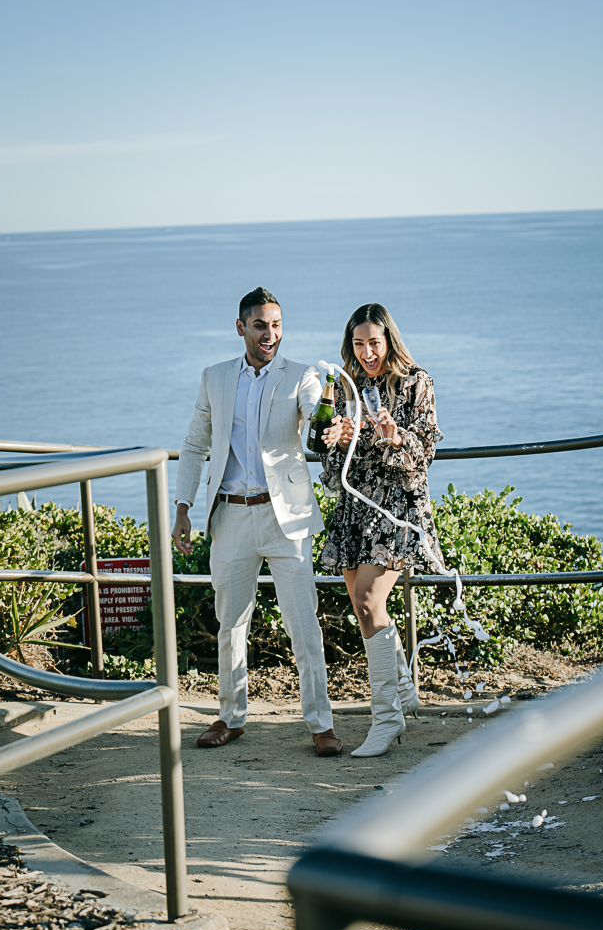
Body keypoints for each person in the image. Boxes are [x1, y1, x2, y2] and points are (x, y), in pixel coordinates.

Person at [172, 287, 342, 756]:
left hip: (283, 515)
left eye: (278, 325)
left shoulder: (304, 375)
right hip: (229, 515)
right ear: (241, 327)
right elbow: (194, 445)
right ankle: (230, 716)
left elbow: (314, 413)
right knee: (231, 624)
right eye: (262, 325)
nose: (271, 334)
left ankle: (321, 724)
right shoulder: (215, 378)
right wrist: (183, 508)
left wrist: (328, 421)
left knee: (303, 624)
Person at [318, 303, 447, 758]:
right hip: (357, 507)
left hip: (396, 506)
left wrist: (396, 437)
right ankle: (405, 692)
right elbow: (334, 472)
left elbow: (426, 452)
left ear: (389, 339)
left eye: (374, 342)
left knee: (370, 600)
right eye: (358, 343)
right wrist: (334, 441)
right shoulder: (345, 386)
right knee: (361, 604)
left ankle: (386, 719)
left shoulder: (416, 382)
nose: (367, 352)